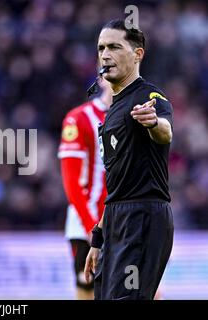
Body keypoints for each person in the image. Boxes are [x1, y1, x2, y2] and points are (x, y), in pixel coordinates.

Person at [84, 19, 174, 300]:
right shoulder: (114, 109)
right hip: (117, 219)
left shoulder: (147, 96)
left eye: (114, 47)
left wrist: (153, 123)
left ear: (137, 55)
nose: (105, 55)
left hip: (143, 218)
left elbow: (165, 131)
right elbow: (118, 181)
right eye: (101, 48)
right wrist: (99, 238)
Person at [58, 78, 112, 300]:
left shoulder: (138, 115)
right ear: (100, 79)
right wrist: (92, 227)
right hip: (87, 223)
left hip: (128, 217)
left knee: (144, 289)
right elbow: (71, 182)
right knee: (87, 290)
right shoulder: (79, 118)